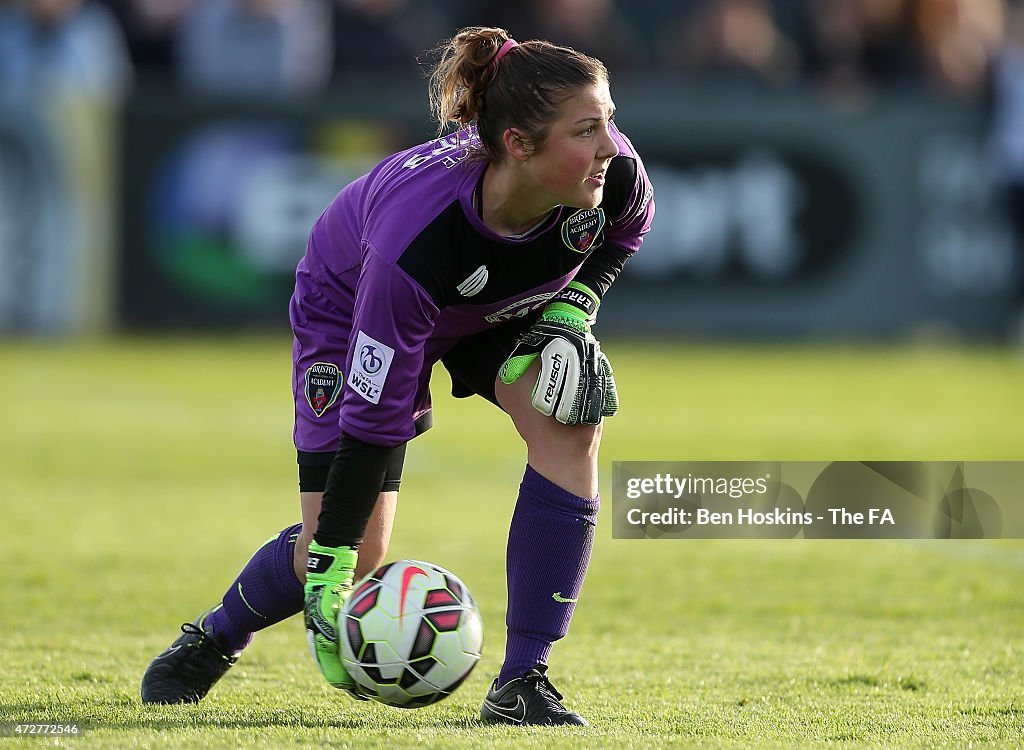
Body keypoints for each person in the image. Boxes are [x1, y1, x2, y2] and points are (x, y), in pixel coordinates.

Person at [140, 25, 654, 726]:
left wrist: (573, 309)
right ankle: (217, 634)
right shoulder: (416, 240)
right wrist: (332, 558)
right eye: (586, 130)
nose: (610, 145)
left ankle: (522, 681)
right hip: (352, 307)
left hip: (499, 310)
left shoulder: (614, 173)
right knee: (356, 546)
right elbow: (375, 420)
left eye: (610, 122)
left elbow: (625, 233)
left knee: (572, 423)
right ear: (518, 145)